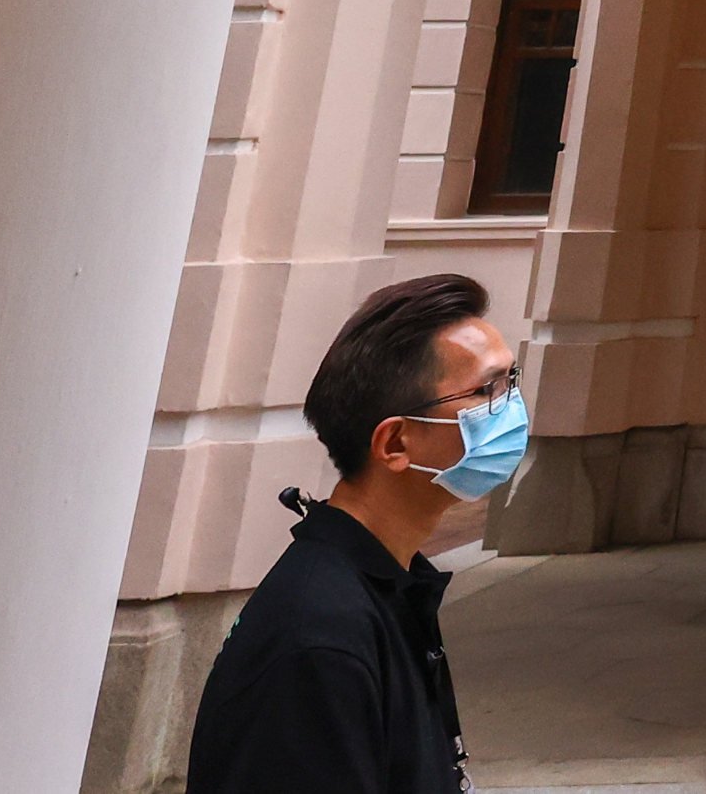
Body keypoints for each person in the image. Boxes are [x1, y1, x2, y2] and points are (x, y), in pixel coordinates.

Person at [188, 272, 528, 794]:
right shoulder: (321, 637)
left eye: (512, 381)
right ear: (395, 444)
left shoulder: (389, 587)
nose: (511, 409)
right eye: (488, 391)